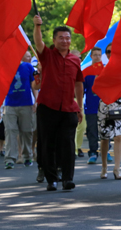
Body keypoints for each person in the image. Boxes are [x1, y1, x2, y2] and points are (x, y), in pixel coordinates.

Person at [32, 15, 84, 192]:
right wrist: (37, 26)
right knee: (48, 144)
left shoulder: (75, 60)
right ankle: (51, 179)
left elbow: (78, 84)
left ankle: (68, 179)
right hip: (47, 106)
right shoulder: (47, 55)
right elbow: (38, 43)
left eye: (67, 38)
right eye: (61, 37)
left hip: (69, 107)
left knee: (68, 144)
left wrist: (80, 106)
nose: (65, 40)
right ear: (54, 40)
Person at [98, 43, 121, 180]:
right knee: (104, 137)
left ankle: (117, 168)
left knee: (118, 136)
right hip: (104, 105)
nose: (111, 54)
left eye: (113, 51)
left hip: (119, 104)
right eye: (108, 52)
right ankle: (104, 166)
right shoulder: (101, 68)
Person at [3, 51, 36, 169]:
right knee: (10, 131)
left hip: (26, 103)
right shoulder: (5, 68)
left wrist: (36, 101)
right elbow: (1, 86)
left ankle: (27, 156)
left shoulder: (28, 66)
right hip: (10, 104)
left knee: (27, 131)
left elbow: (34, 84)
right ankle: (10, 159)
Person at [82, 46, 103, 164]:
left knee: (106, 130)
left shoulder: (106, 70)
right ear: (91, 56)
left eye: (99, 55)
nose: (97, 57)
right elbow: (81, 90)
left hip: (105, 106)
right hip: (90, 107)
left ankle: (107, 151)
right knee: (92, 131)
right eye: (95, 55)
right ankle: (93, 152)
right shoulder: (86, 72)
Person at [71, 49, 87, 158]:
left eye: (79, 58)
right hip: (69, 101)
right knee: (72, 126)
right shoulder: (67, 68)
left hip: (81, 101)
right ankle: (73, 149)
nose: (78, 60)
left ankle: (78, 146)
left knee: (82, 126)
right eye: (75, 58)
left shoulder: (84, 71)